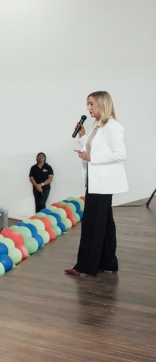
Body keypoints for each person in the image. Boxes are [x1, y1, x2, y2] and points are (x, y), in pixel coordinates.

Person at [67, 91, 127, 278]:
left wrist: (92, 157)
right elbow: (95, 148)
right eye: (88, 104)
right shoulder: (97, 125)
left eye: (91, 104)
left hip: (103, 183)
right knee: (105, 223)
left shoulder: (113, 126)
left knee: (93, 224)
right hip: (95, 181)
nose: (88, 108)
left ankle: (86, 266)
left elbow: (120, 153)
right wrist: (83, 137)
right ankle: (107, 262)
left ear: (102, 104)